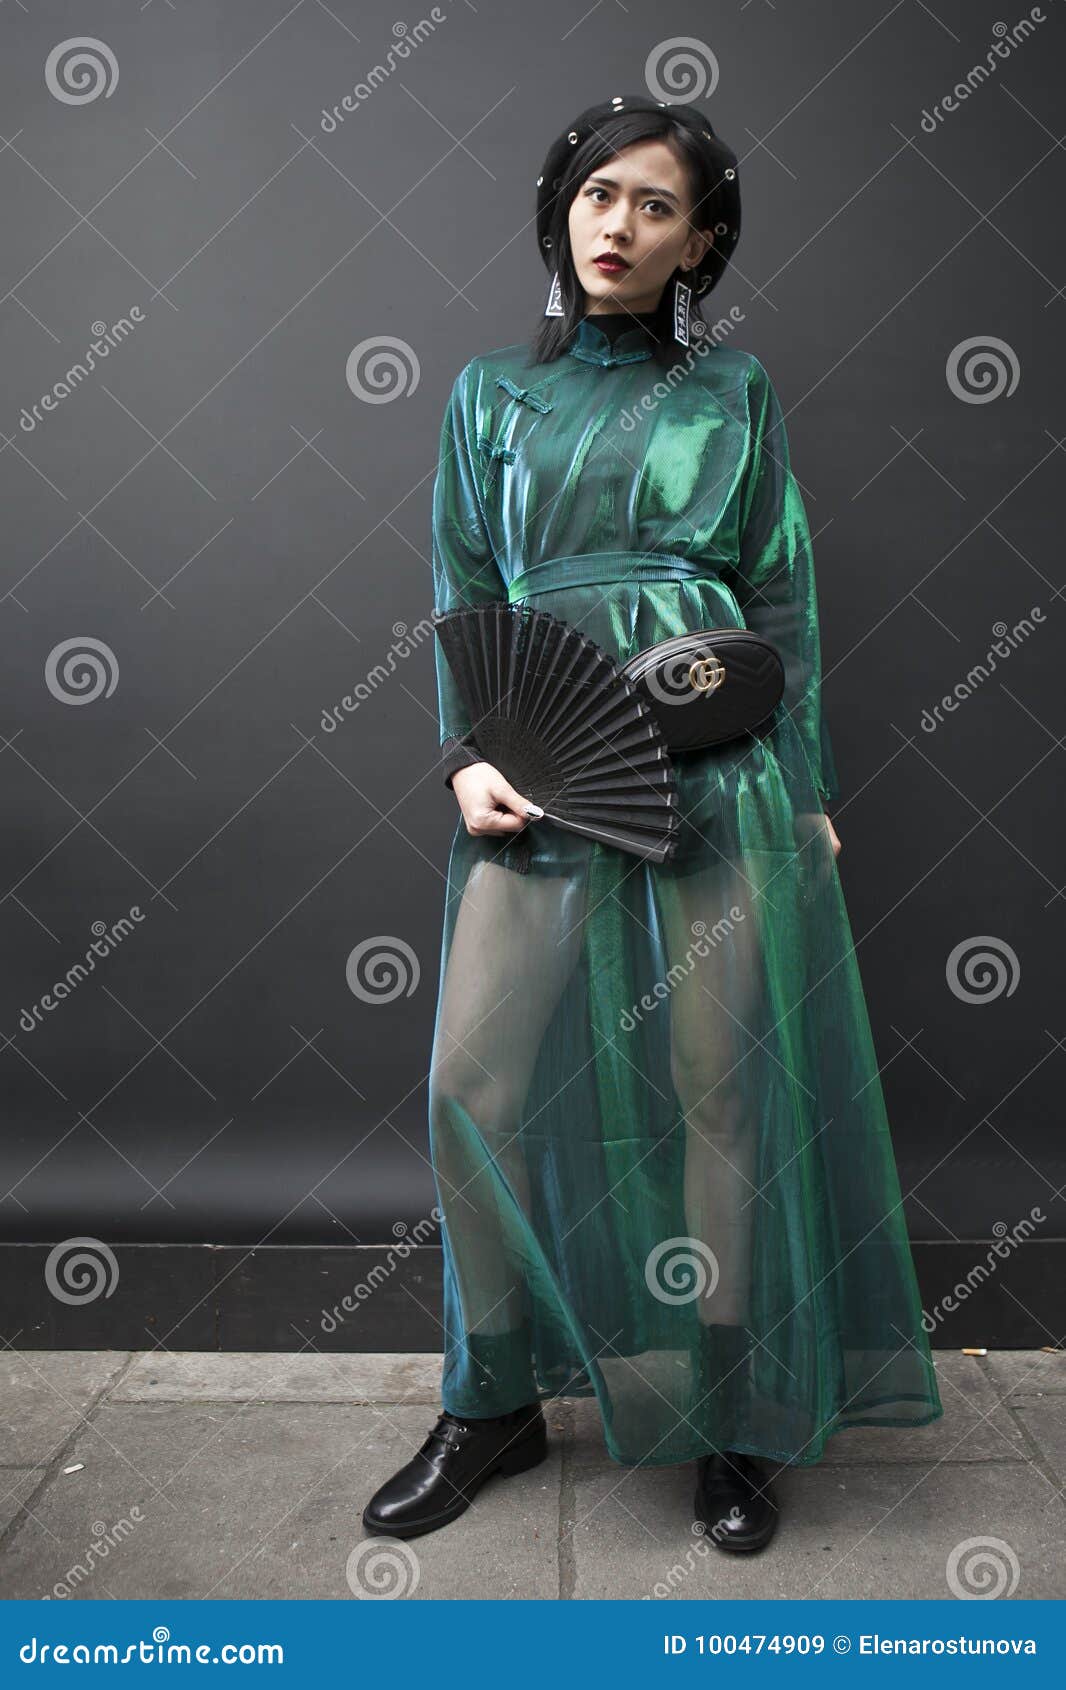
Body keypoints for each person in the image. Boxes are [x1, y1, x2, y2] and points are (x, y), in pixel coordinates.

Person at [363, 95, 942, 1552]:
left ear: (700, 242)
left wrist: (801, 795)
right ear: (560, 208)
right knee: (468, 1092)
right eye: (598, 194)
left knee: (716, 1094)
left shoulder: (734, 391)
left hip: (716, 775)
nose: (618, 225)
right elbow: (463, 592)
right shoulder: (487, 393)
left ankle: (733, 1410)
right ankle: (488, 1396)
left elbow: (779, 600)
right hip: (539, 767)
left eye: (657, 207)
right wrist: (459, 760)